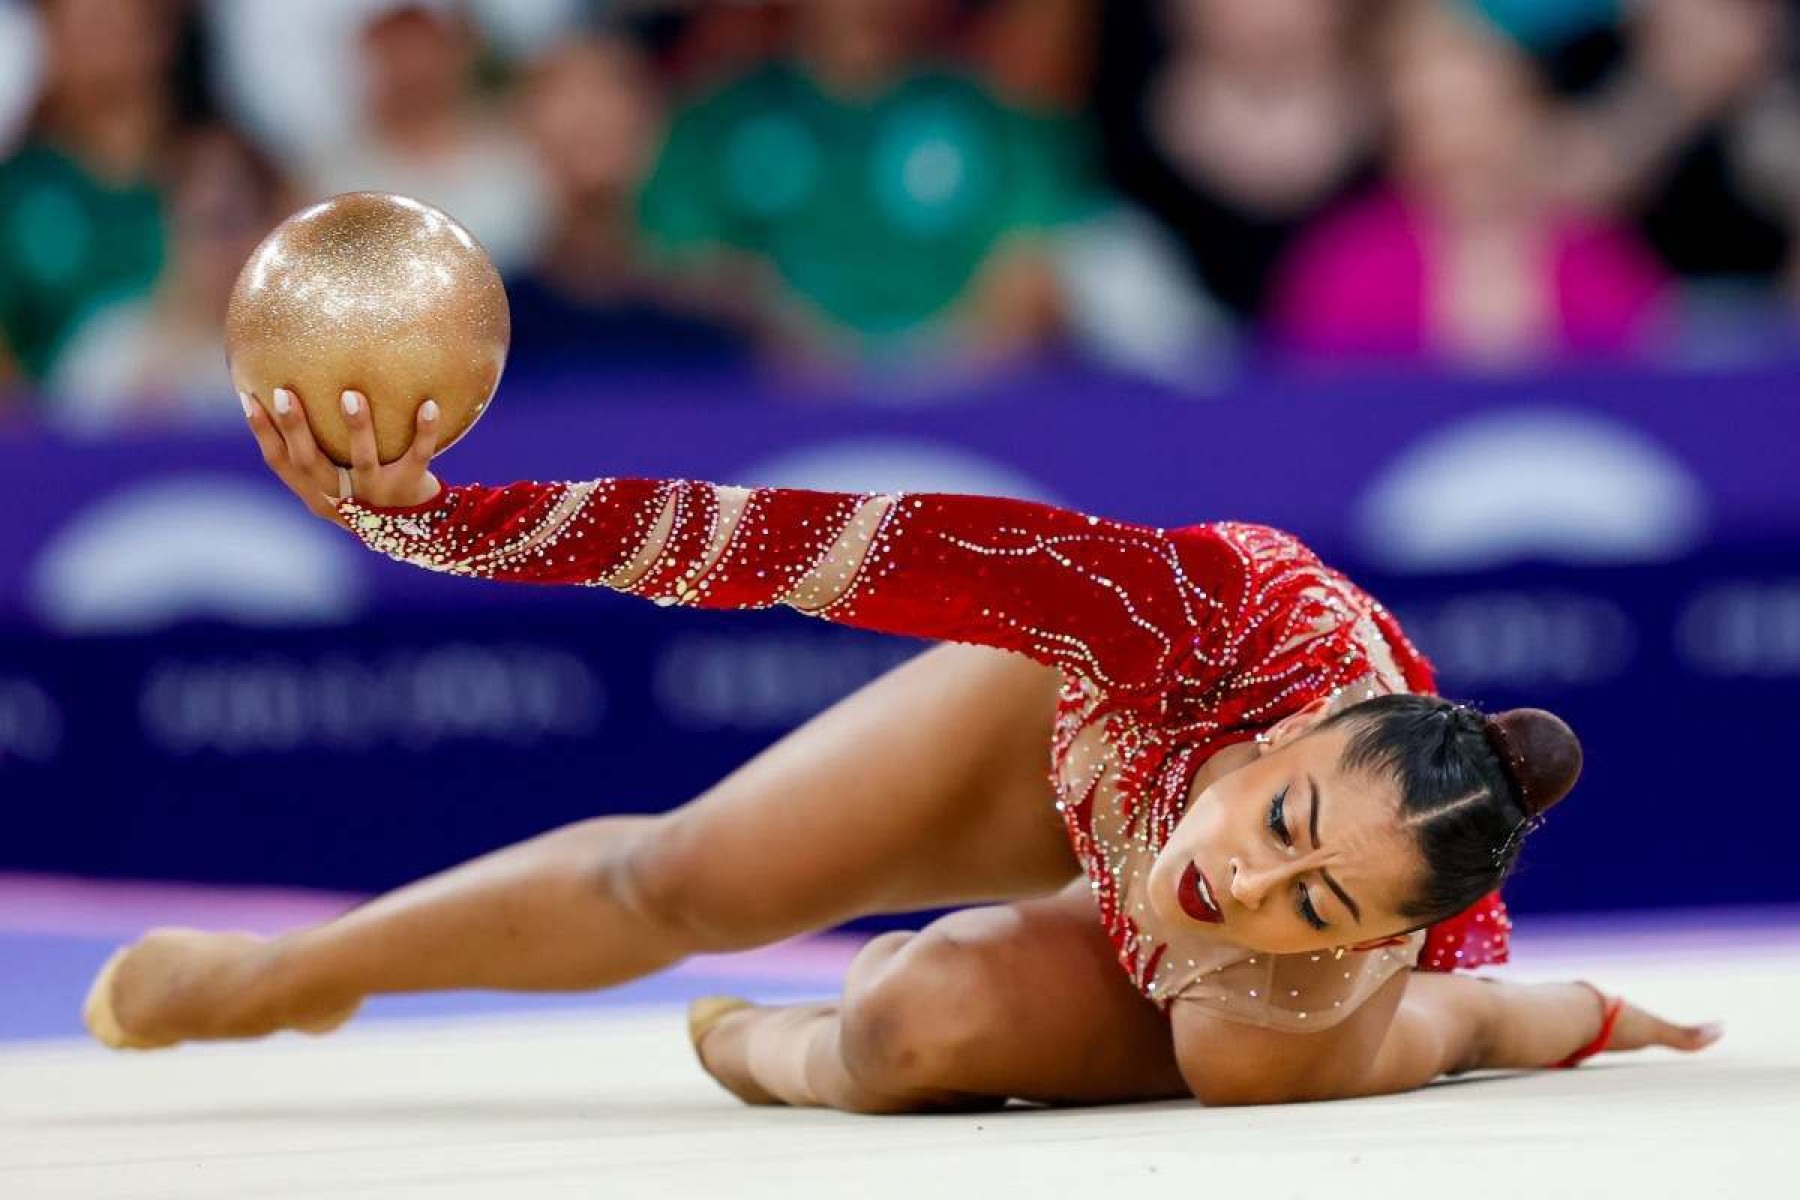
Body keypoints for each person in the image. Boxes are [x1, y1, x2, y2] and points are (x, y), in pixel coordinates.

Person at [84, 388, 1721, 1112]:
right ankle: (296, 976)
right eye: (1282, 818)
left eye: (1312, 898)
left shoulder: (1291, 1011)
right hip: (1101, 731)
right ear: (1282, 734)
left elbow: (1482, 1011)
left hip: (1236, 946)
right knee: (692, 868)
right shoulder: (1171, 612)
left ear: (1368, 943)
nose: (1239, 880)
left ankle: (761, 1047)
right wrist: (455, 527)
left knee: (907, 1022)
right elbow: (792, 540)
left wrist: (1582, 1020)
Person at [1268, 0, 1668, 368]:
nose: (1462, 147)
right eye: (1432, 122)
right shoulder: (1347, 267)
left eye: (1481, 114)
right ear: (1398, 137)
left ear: (1529, 112)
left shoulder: (1598, 259)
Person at [46, 124, 290, 428]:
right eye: (208, 224)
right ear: (171, 229)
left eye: (238, 222)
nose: (224, 249)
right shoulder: (109, 352)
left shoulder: (308, 361)